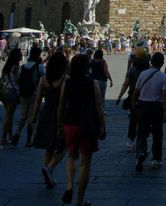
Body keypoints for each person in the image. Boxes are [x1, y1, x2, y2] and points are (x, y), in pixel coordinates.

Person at [58, 53, 105, 206]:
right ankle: (80, 200)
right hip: (87, 125)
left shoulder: (67, 83)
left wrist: (59, 125)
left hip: (70, 124)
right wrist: (102, 125)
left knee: (71, 156)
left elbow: (61, 105)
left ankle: (70, 185)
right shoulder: (93, 83)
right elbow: (98, 106)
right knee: (85, 163)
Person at [31, 51, 68, 188]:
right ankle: (50, 168)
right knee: (62, 148)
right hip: (59, 114)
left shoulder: (43, 80)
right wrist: (60, 124)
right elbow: (63, 102)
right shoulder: (64, 79)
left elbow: (37, 101)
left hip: (45, 114)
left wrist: (33, 117)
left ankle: (48, 173)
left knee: (48, 147)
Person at [133, 51, 166, 172]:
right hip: (156, 107)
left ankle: (141, 153)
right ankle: (156, 160)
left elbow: (136, 92)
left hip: (143, 106)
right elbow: (165, 95)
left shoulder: (143, 74)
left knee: (142, 133)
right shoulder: (163, 76)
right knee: (157, 134)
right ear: (161, 63)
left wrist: (134, 105)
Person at [116, 46, 150, 150]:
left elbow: (125, 84)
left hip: (133, 97)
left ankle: (131, 140)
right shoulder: (149, 70)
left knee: (133, 119)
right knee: (144, 119)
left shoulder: (131, 70)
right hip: (146, 97)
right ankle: (142, 138)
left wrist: (119, 96)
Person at [12, 44, 45, 146]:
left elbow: (18, 80)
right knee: (32, 116)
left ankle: (17, 132)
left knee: (23, 115)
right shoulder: (39, 67)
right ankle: (29, 140)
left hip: (23, 93)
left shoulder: (23, 66)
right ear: (38, 55)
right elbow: (44, 78)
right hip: (34, 94)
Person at [1, 47, 22, 147]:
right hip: (13, 92)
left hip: (5, 91)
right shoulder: (16, 67)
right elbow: (18, 81)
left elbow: (3, 80)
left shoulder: (6, 67)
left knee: (9, 115)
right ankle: (3, 138)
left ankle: (10, 136)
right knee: (9, 117)